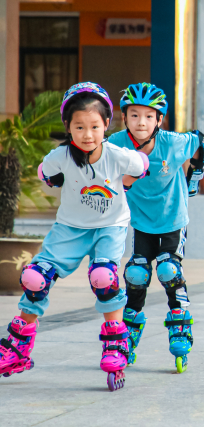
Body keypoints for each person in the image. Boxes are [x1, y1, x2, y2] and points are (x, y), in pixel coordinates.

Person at [0, 82, 148, 391]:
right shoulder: (61, 156)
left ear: (107, 124)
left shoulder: (118, 155)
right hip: (69, 228)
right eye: (79, 126)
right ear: (68, 126)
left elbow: (141, 165)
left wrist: (132, 177)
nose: (88, 134)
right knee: (34, 279)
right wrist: (52, 178)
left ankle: (115, 342)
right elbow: (45, 172)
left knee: (104, 277)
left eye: (95, 126)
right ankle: (18, 347)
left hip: (109, 227)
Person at [108, 82, 204, 373]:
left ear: (159, 120)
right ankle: (129, 329)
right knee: (136, 273)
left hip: (173, 220)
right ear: (124, 117)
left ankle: (181, 325)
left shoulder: (173, 143)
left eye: (149, 116)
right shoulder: (116, 144)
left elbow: (203, 143)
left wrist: (195, 177)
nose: (142, 122)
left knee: (168, 270)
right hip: (141, 222)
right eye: (135, 115)